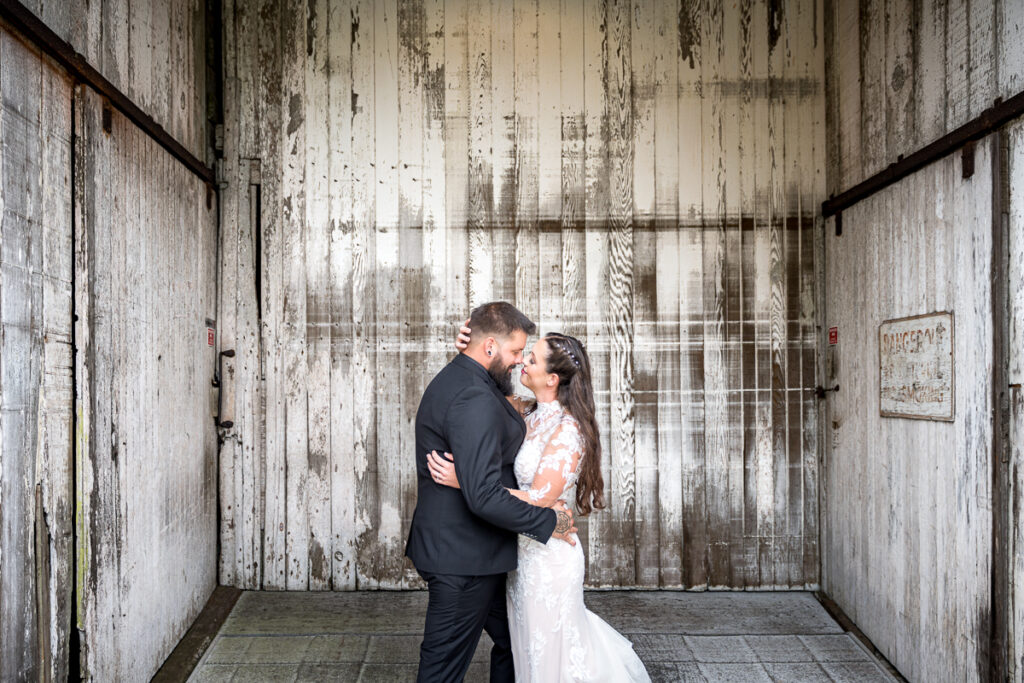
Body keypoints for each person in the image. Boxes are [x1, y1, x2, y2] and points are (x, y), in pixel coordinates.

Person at [428, 325, 651, 682]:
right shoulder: (525, 411)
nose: (521, 363)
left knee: (550, 654)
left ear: (551, 378)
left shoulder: (569, 430)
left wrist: (466, 481)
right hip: (521, 555)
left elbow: (541, 498)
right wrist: (469, 351)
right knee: (526, 651)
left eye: (530, 359)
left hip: (550, 562)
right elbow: (481, 386)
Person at [405, 302, 578, 683]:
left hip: (479, 553)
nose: (519, 362)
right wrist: (550, 522)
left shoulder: (469, 379)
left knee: (515, 644)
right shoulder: (474, 396)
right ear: (488, 349)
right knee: (441, 671)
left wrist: (466, 478)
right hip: (462, 560)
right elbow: (482, 495)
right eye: (516, 352)